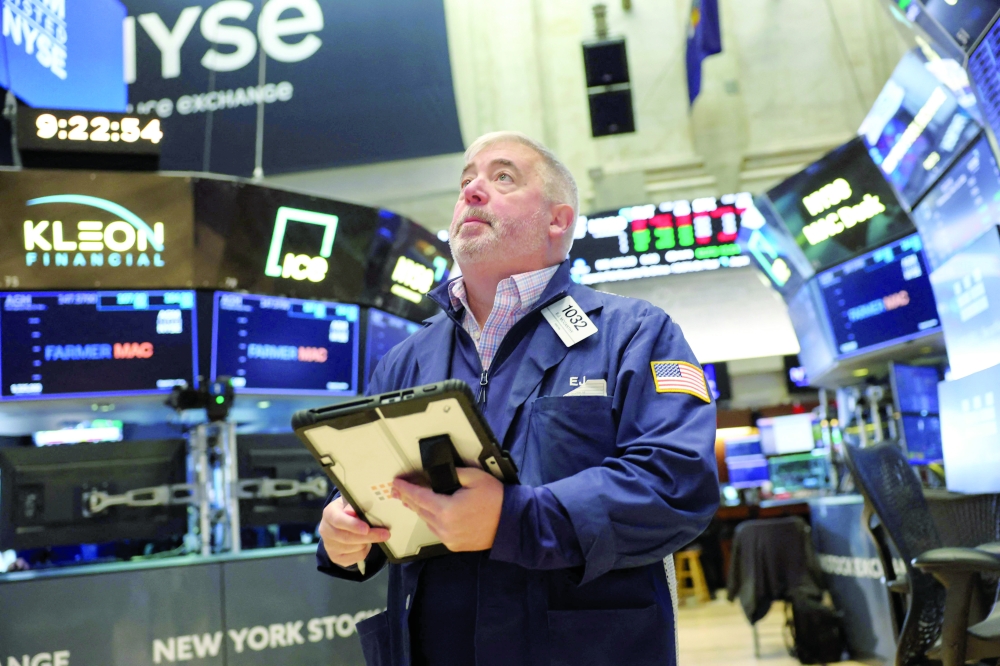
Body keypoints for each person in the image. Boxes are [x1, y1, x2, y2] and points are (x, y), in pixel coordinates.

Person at [316, 131, 719, 666]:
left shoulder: (635, 334)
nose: (473, 191)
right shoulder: (403, 360)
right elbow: (359, 496)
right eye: (466, 181)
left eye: (502, 176)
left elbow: (677, 484)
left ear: (559, 220)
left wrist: (514, 519)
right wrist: (342, 537)